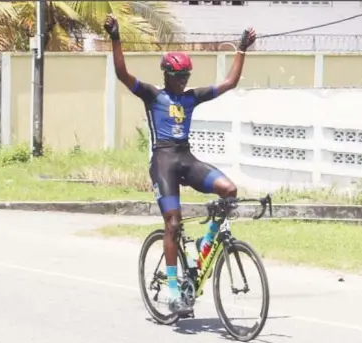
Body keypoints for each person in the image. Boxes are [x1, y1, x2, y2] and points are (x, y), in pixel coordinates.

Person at [103, 15, 256, 314]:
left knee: (230, 190)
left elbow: (229, 83)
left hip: (186, 159)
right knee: (172, 223)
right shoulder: (152, 95)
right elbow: (122, 73)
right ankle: (173, 291)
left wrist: (242, 48)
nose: (184, 79)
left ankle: (205, 243)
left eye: (187, 74)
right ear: (166, 74)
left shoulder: (191, 98)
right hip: (163, 161)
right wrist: (116, 37)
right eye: (179, 75)